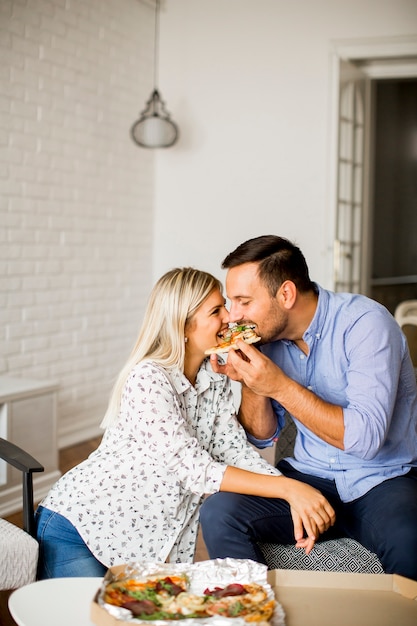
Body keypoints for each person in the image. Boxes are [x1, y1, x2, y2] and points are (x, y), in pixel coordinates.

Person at [35, 266, 335, 579]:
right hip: (81, 526)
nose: (230, 318)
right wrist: (288, 487)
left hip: (146, 542)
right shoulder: (149, 379)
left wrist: (294, 498)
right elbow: (195, 470)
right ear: (184, 326)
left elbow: (234, 450)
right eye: (216, 311)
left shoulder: (212, 378)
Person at [200, 235, 417, 581]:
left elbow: (365, 440)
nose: (232, 315)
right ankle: (255, 611)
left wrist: (280, 386)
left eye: (243, 301)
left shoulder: (366, 325)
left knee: (410, 541)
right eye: (231, 302)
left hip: (382, 479)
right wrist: (251, 382)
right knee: (218, 512)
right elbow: (261, 436)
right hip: (309, 476)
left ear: (285, 294)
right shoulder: (265, 338)